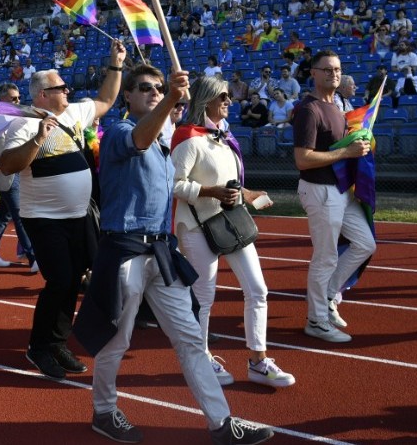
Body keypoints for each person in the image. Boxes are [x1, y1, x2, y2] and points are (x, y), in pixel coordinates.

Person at [72, 65, 274, 445]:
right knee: (117, 340)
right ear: (127, 97)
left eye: (158, 87)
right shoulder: (118, 132)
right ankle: (103, 410)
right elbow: (140, 139)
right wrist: (170, 99)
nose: (152, 92)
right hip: (125, 251)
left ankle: (221, 422)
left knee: (192, 338)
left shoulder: (167, 145)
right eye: (144, 88)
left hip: (161, 251)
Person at [0, 39, 126, 380]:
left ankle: (57, 342)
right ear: (42, 94)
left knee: (72, 281)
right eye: (61, 87)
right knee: (60, 280)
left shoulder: (73, 112)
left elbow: (105, 99)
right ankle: (39, 346)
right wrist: (37, 139)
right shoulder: (22, 124)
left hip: (77, 216)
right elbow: (8, 165)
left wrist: (115, 64)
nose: (68, 90)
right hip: (44, 218)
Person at [172, 76, 294, 388]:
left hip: (230, 221)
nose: (230, 101)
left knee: (258, 289)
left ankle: (258, 360)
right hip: (198, 224)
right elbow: (172, 184)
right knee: (204, 296)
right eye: (223, 96)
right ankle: (200, 358)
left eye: (229, 96)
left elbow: (230, 182)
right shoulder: (188, 137)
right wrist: (210, 192)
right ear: (206, 100)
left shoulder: (223, 136)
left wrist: (248, 194)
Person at [292, 50, 375, 343]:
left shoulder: (338, 108)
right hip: (320, 189)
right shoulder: (309, 110)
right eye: (326, 70)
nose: (333, 74)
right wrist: (347, 152)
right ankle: (315, 320)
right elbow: (302, 159)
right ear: (313, 73)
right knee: (325, 257)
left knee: (366, 243)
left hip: (341, 190)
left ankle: (328, 297)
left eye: (337, 69)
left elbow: (344, 149)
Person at [0, 83, 36, 271]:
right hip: (3, 173)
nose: (18, 101)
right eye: (13, 98)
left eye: (19, 97)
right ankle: (33, 257)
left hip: (18, 173)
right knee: (20, 215)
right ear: (1, 99)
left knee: (3, 217)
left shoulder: (20, 118)